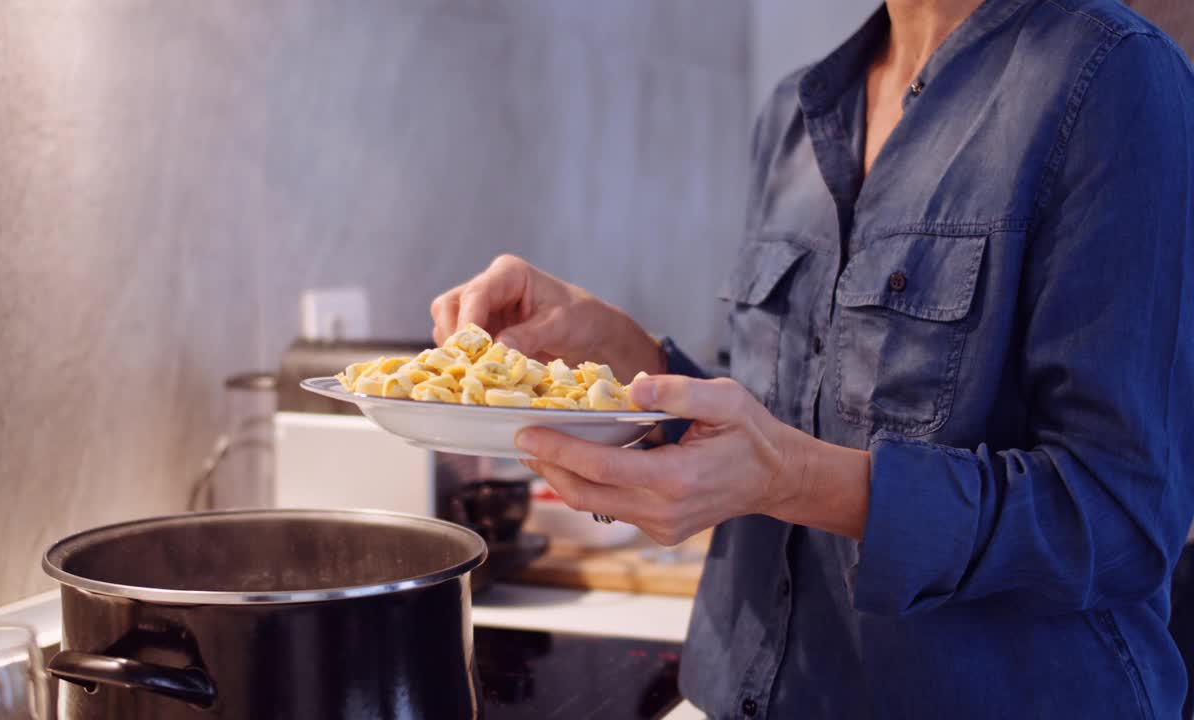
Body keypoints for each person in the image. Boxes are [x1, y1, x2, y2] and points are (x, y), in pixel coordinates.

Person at [429, 0, 1194, 716]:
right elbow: (768, 418)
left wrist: (792, 478)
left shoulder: (1116, 77)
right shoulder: (796, 112)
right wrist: (612, 345)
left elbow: (1119, 518)